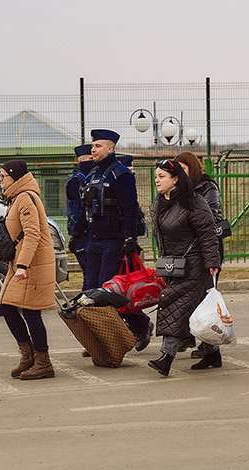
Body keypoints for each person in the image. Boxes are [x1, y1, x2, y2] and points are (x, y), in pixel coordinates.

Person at [147, 160, 220, 377]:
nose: (157, 180)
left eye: (162, 176)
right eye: (156, 176)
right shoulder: (161, 202)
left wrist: (212, 263)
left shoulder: (193, 202)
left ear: (176, 179)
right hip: (174, 266)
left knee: (173, 305)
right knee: (196, 312)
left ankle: (166, 358)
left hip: (195, 266)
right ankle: (212, 353)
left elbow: (207, 234)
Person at [81, 129, 151, 351]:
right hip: (94, 240)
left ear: (111, 148)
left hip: (114, 241)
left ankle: (136, 326)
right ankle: (99, 335)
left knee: (107, 292)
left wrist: (129, 238)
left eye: (98, 146)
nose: (93, 150)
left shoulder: (120, 174)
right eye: (93, 146)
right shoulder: (92, 174)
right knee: (89, 290)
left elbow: (130, 209)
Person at [0, 160, 58, 380]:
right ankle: (29, 355)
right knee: (7, 306)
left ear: (15, 177)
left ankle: (43, 362)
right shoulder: (17, 198)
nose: (0, 180)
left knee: (30, 311)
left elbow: (33, 233)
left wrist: (23, 265)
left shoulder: (25, 198)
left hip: (31, 265)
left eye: (3, 175)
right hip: (21, 264)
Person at [174, 151, 224, 369]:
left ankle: (211, 347)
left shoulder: (206, 187)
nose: (180, 174)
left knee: (204, 301)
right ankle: (193, 339)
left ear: (192, 168)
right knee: (186, 299)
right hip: (184, 252)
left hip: (205, 249)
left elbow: (214, 216)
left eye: (184, 169)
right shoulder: (176, 190)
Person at [66, 144, 94, 276]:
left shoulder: (76, 179)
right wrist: (76, 233)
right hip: (84, 234)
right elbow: (77, 211)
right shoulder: (76, 182)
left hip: (83, 234)